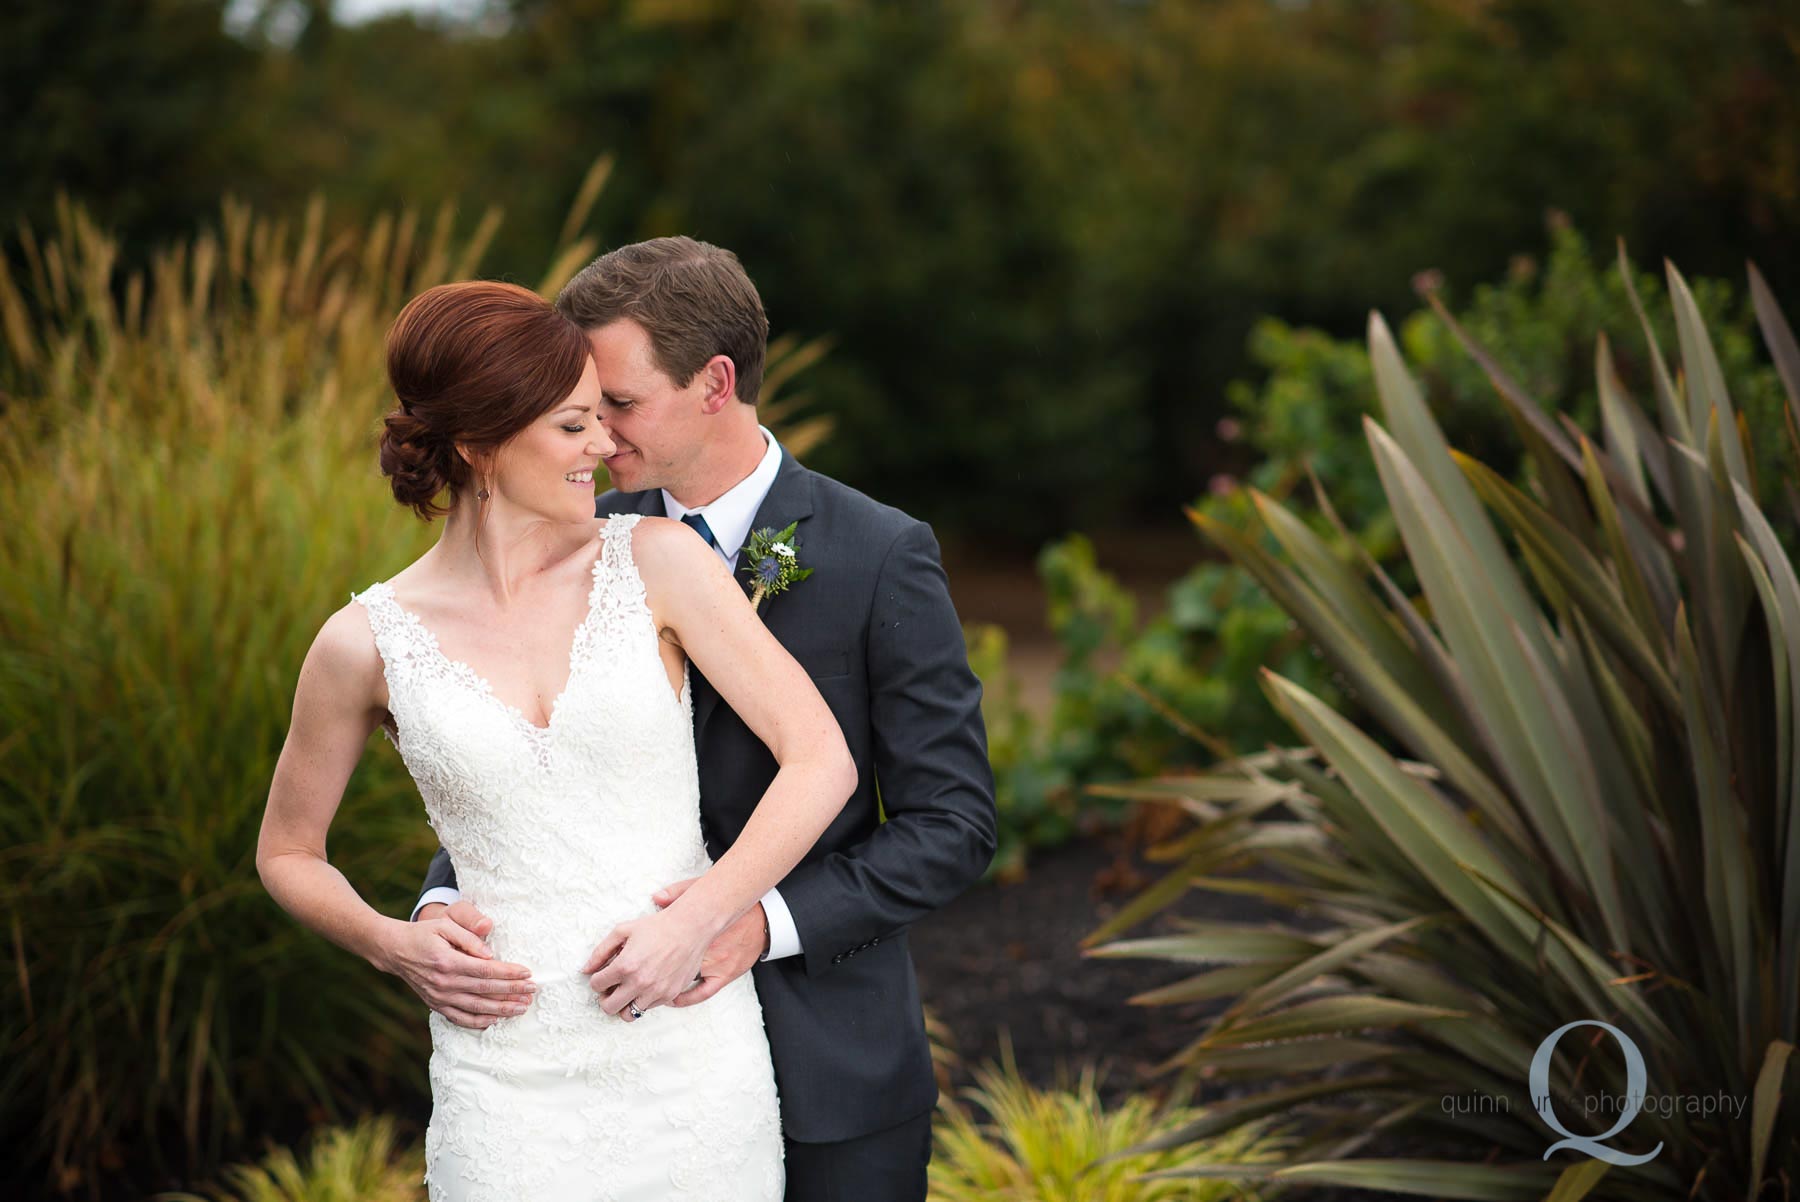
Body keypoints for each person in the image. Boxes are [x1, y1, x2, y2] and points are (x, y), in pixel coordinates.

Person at [405, 238, 999, 1202]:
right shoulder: (577, 543)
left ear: (716, 382)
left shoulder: (879, 553)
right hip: (612, 1060)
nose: (596, 433)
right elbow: (523, 763)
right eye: (581, 409)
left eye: (621, 404)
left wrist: (753, 923)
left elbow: (954, 826)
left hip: (830, 1069)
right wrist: (443, 906)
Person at [256, 279, 857, 1201]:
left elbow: (821, 760)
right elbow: (289, 851)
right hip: (502, 1081)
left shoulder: (659, 562)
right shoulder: (361, 644)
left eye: (603, 419)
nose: (607, 447)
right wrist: (391, 942)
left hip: (688, 1059)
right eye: (573, 426)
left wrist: (695, 919)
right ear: (479, 446)